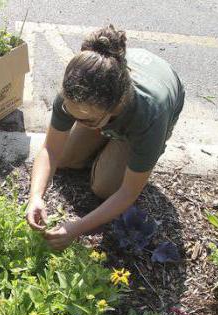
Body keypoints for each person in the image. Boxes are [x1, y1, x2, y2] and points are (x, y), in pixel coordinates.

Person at [25, 25, 185, 250]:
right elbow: (50, 150)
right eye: (72, 114)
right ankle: (105, 144)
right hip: (106, 92)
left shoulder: (149, 116)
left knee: (104, 188)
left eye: (87, 121)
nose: (76, 123)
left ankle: (118, 145)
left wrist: (78, 227)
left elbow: (128, 193)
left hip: (160, 90)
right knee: (64, 159)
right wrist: (35, 196)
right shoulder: (74, 92)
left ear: (115, 107)